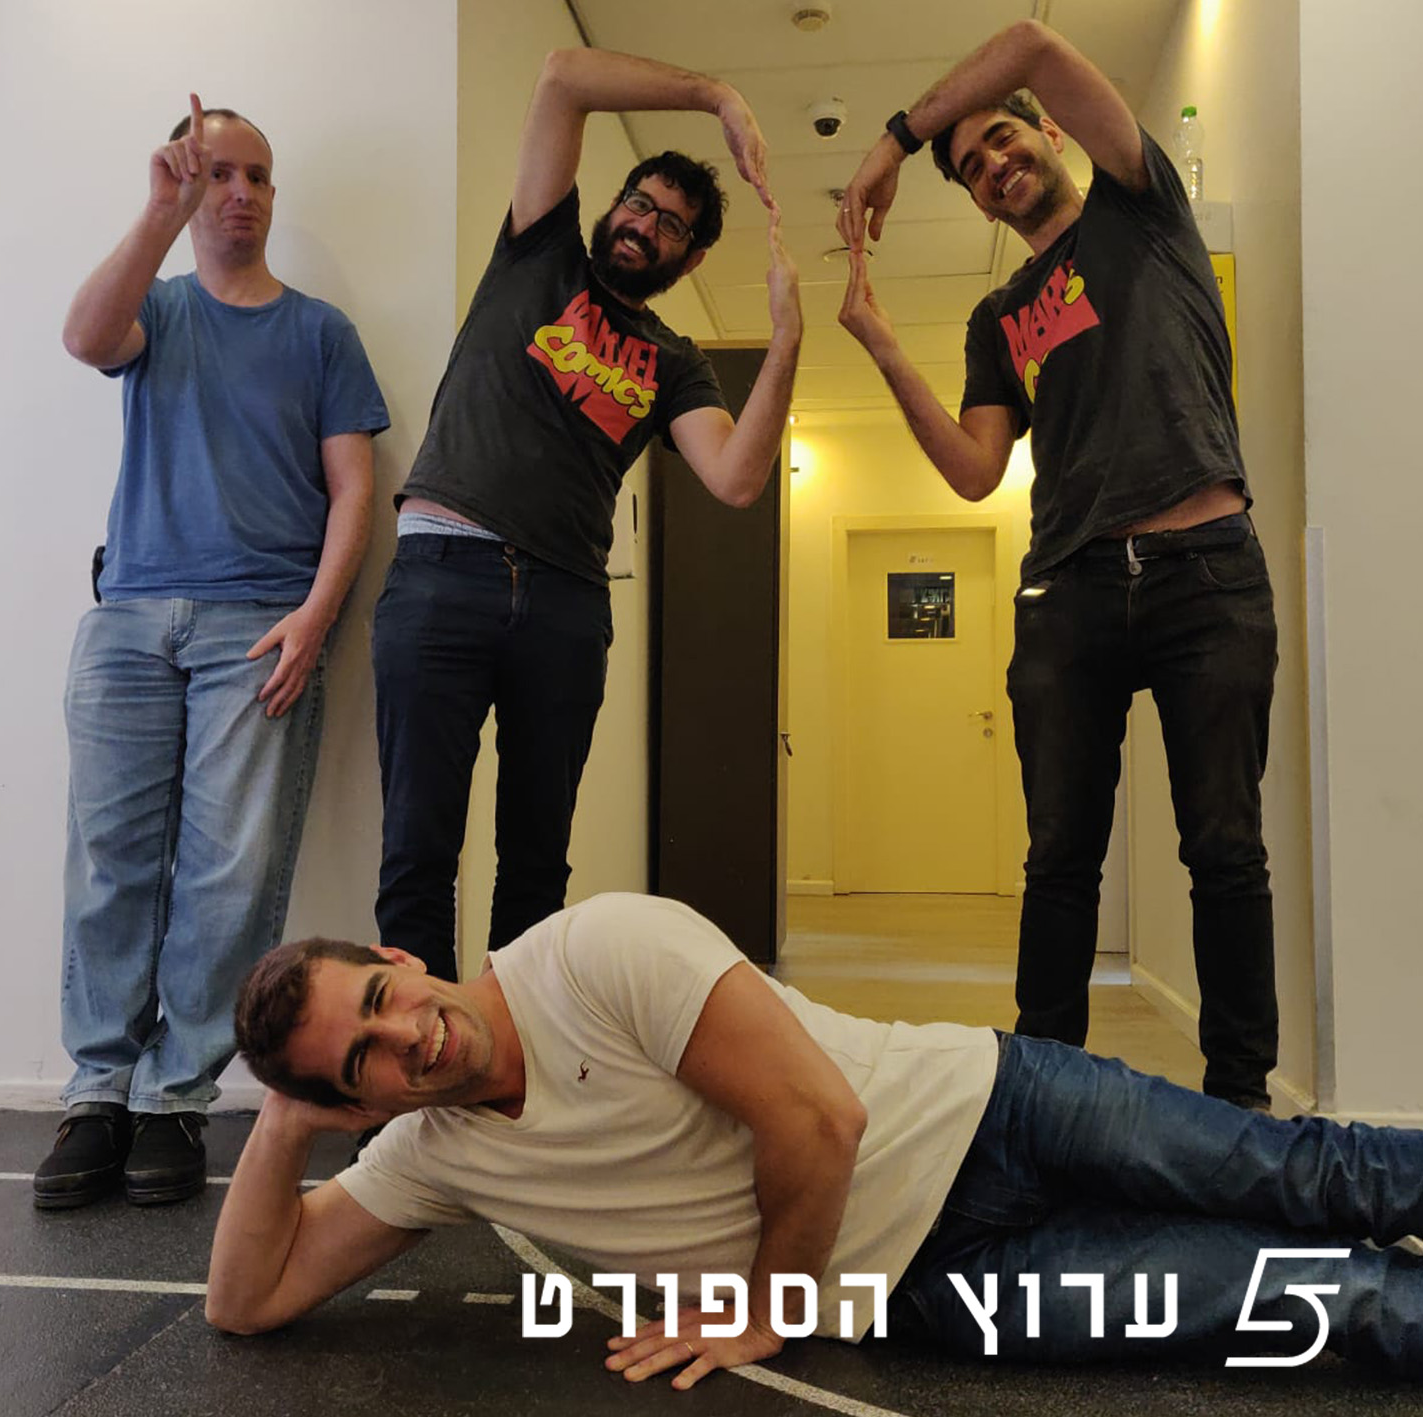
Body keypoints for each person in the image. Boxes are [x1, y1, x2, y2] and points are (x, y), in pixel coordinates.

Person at [207, 892, 1423, 1382]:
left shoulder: (593, 952)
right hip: (934, 1288)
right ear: (356, 1106)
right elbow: (249, 1300)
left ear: (402, 958)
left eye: (381, 999)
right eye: (359, 1064)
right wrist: (285, 1120)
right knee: (1335, 1305)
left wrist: (765, 1306)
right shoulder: (430, 1152)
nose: (406, 1038)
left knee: (1325, 1175)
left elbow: (817, 1115)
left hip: (995, 1109)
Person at [835, 20, 1279, 1110]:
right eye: (971, 168)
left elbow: (1030, 44)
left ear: (1049, 135)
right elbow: (975, 471)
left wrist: (898, 140)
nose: (993, 164)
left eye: (1002, 138)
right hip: (1069, 592)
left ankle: (1240, 1107)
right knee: (1058, 861)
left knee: (1224, 847)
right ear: (979, 202)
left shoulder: (1140, 206)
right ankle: (1047, 1104)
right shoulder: (998, 317)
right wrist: (882, 343)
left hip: (1204, 573)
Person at [373, 48, 800, 982]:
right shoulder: (539, 252)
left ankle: (508, 1057)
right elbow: (562, 76)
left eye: (672, 225)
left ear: (690, 258)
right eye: (640, 203)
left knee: (536, 864)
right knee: (418, 848)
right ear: (611, 208)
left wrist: (785, 344)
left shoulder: (674, 360)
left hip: (565, 606)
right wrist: (716, 93)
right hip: (444, 572)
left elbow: (735, 478)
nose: (646, 224)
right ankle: (417, 1062)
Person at [35, 95, 390, 1210]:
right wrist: (159, 210)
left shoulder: (321, 332)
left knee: (228, 870)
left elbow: (354, 488)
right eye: (220, 174)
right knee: (110, 860)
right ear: (191, 187)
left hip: (260, 626)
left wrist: (317, 616)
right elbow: (85, 337)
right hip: (131, 619)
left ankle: (173, 1098)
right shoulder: (158, 308)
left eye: (258, 176)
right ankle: (98, 1091)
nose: (241, 193)